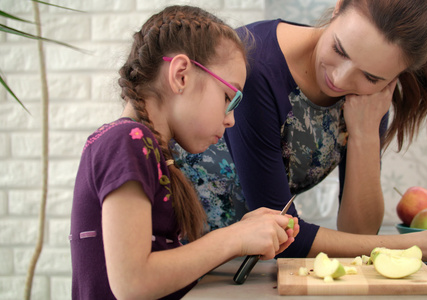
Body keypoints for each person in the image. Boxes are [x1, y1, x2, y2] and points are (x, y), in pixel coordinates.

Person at [173, 0, 427, 266]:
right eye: (341, 50)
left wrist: (365, 134)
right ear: (337, 7)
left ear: (394, 78)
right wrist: (419, 245)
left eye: (371, 76)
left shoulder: (369, 99)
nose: (342, 80)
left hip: (241, 263)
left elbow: (359, 232)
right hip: (177, 252)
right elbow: (283, 232)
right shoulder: (255, 64)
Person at [69, 5, 298, 300]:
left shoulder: (145, 147)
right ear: (181, 76)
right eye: (229, 97)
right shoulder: (126, 141)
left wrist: (246, 233)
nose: (231, 120)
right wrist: (233, 239)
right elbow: (132, 282)